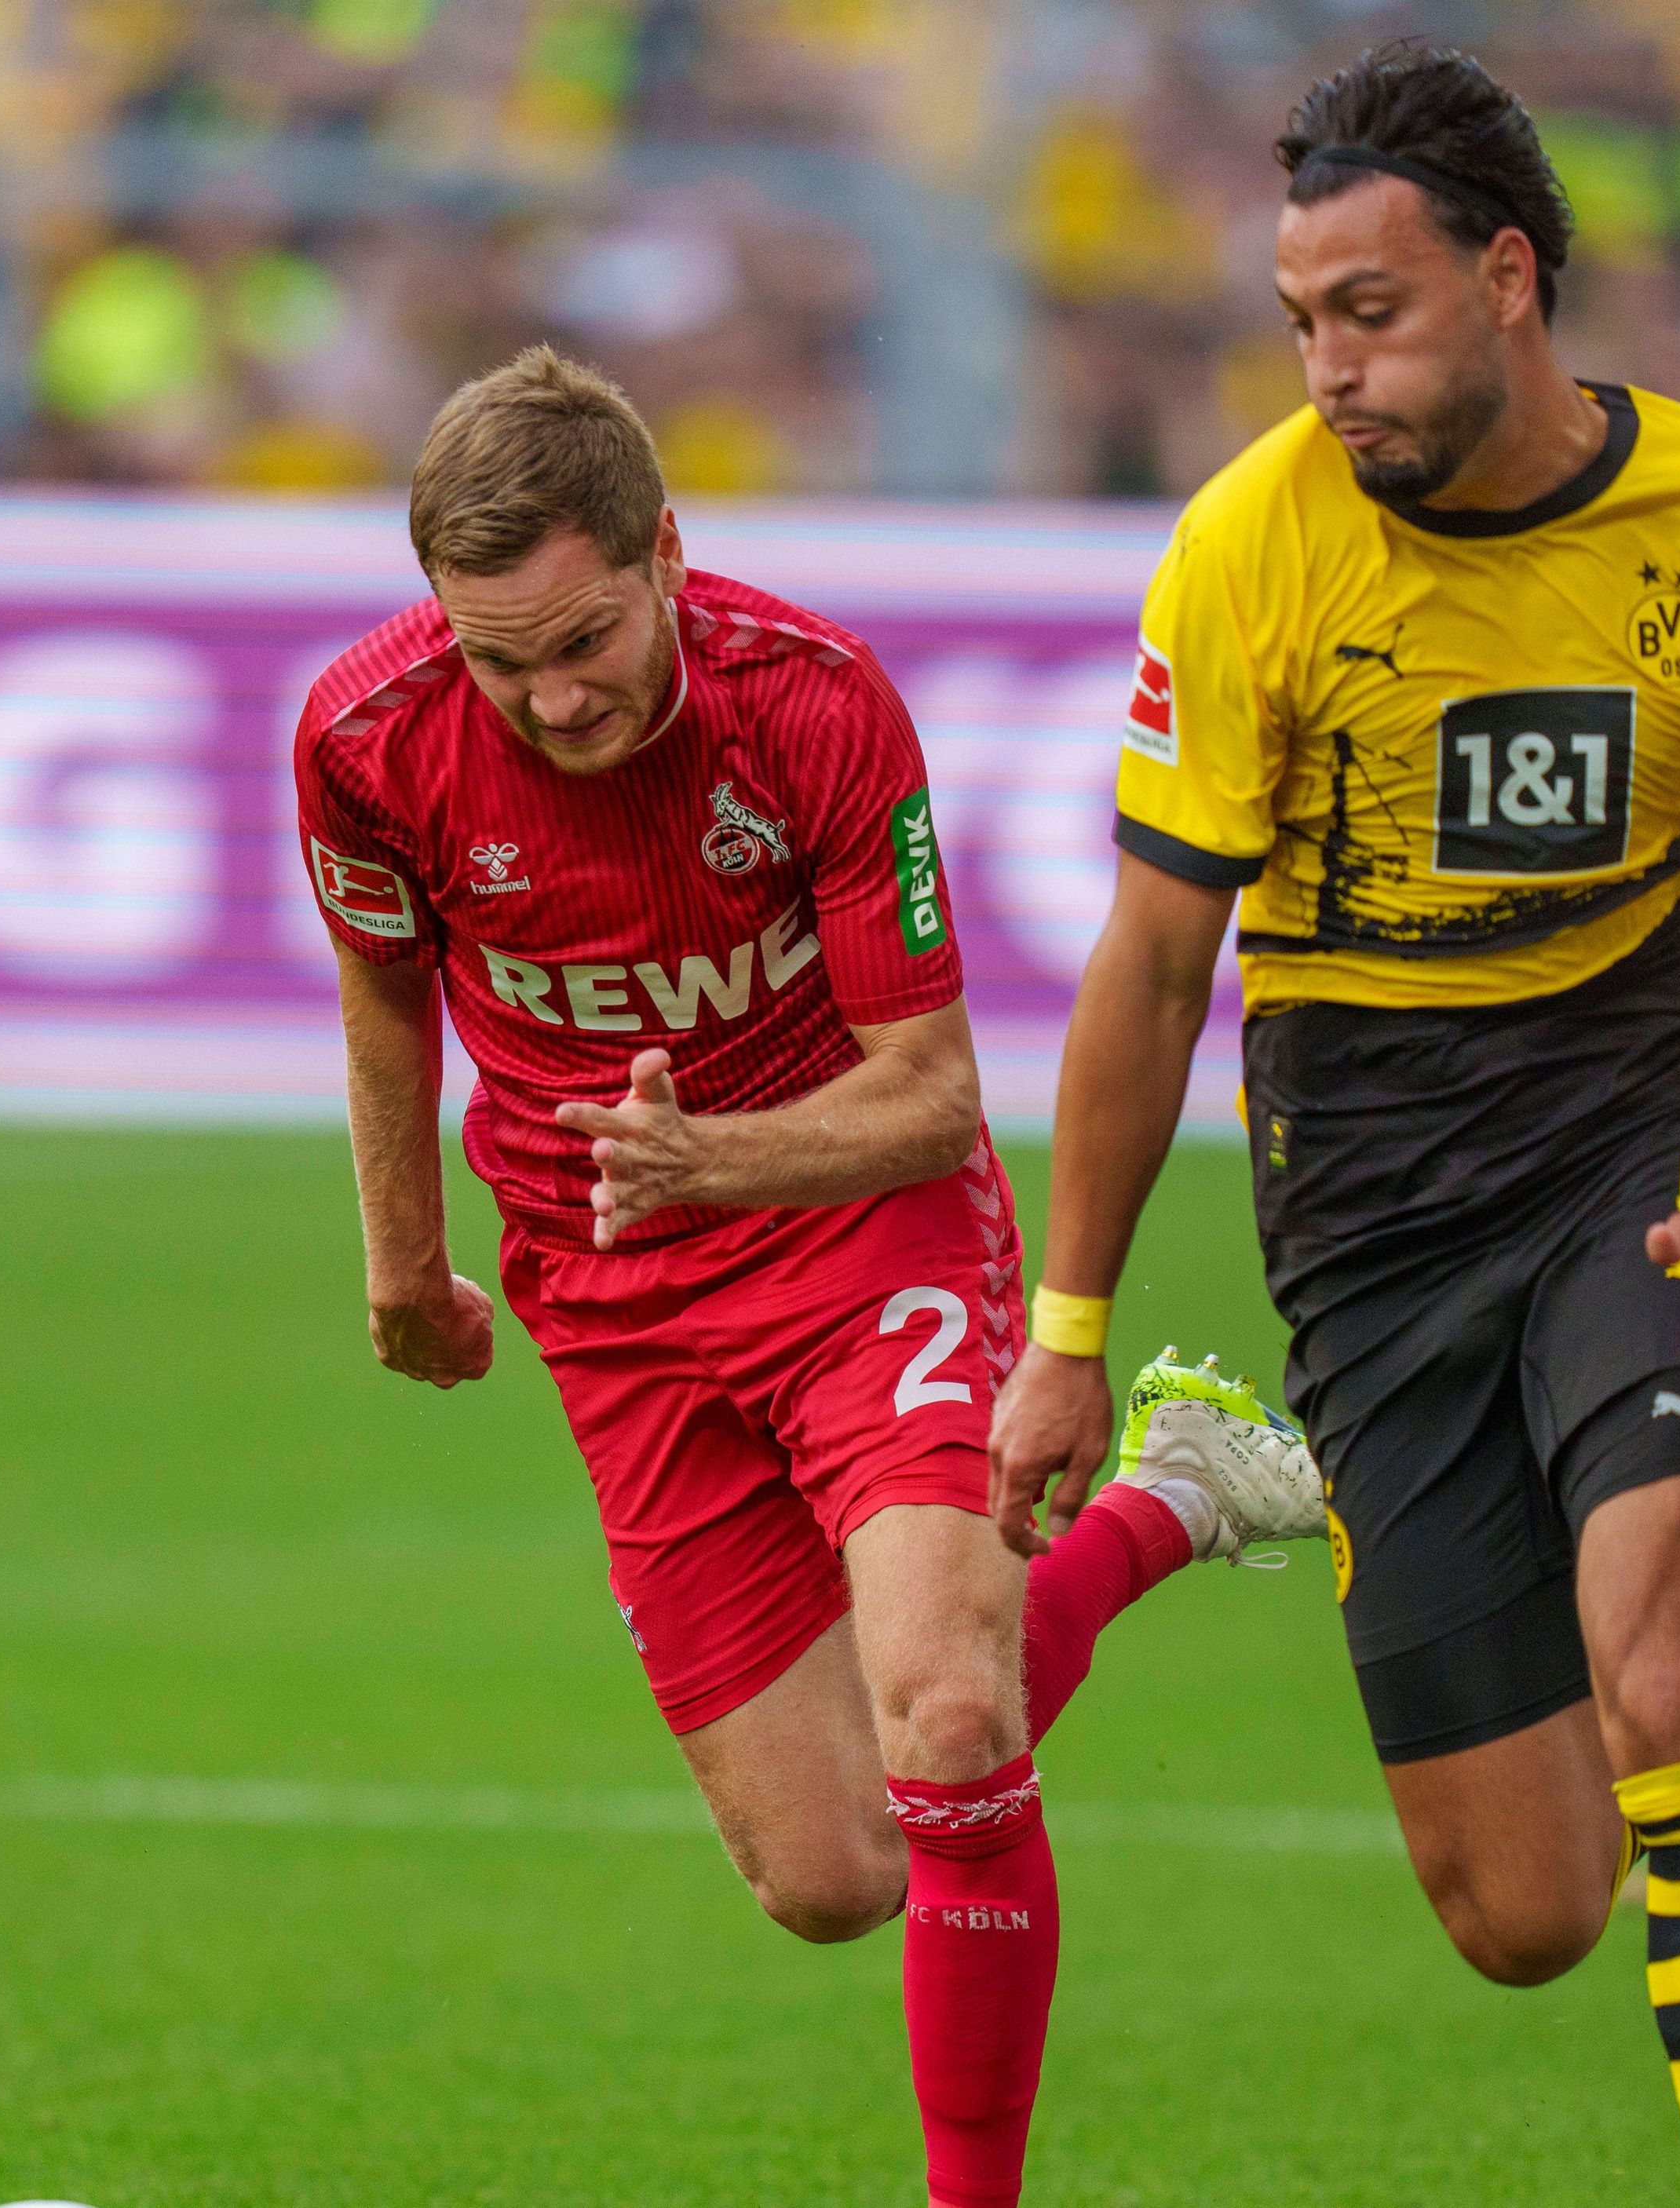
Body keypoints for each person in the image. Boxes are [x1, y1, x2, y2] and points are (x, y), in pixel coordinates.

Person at [984, 42, 1680, 2208]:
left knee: (1659, 1674)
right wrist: (1066, 1323)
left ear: (1513, 279)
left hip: (1633, 1139)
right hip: (1366, 1212)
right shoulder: (1249, 547)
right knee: (1530, 1910)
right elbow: (1155, 968)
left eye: (1369, 313)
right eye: (1298, 322)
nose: (1326, 369)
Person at [299, 346, 1326, 2208]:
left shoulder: (818, 708)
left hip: (862, 1234)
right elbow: (384, 986)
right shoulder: (367, 740)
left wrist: (717, 1158)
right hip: (608, 1293)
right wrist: (404, 1264)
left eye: (584, 640)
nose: (548, 699)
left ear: (668, 549)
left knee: (948, 1713)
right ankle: (1172, 1502)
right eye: (497, 659)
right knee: (839, 1875)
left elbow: (934, 1104)